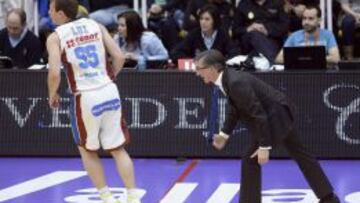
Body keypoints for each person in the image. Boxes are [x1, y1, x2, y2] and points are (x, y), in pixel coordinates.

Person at [194, 49, 340, 203]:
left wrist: (264, 146)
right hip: (280, 113)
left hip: (275, 118)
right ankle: (329, 198)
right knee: (301, 154)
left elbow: (258, 115)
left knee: (250, 160)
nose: (197, 73)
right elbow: (235, 108)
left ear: (213, 68)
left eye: (199, 69)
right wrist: (224, 135)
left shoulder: (235, 82)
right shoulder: (228, 78)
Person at [46, 0, 141, 203]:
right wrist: (110, 77)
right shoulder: (96, 25)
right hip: (109, 89)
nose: (48, 12)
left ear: (61, 14)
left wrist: (52, 94)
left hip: (84, 96)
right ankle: (133, 196)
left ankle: (106, 197)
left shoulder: (56, 37)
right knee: (117, 149)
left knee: (87, 150)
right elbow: (119, 56)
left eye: (51, 9)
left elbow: (54, 73)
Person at [275, 5, 340, 66]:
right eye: (304, 18)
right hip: (300, 74)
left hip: (321, 74)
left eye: (310, 19)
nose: (306, 22)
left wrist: (308, 58)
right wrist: (306, 59)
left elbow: (335, 58)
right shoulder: (294, 36)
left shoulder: (328, 35)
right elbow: (278, 59)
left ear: (319, 20)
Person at [171, 4, 239, 61]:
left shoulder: (222, 34)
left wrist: (222, 62)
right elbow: (175, 53)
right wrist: (192, 61)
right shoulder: (194, 34)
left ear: (215, 21)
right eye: (201, 19)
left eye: (207, 19)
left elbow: (234, 53)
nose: (203, 22)